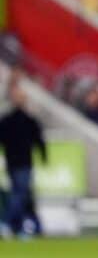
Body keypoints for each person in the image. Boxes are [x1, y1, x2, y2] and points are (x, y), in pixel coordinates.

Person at [0, 81, 47, 238]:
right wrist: (43, 156)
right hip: (23, 163)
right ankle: (8, 223)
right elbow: (39, 140)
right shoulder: (27, 120)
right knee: (20, 194)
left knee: (20, 194)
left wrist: (43, 154)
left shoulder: (9, 120)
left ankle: (18, 226)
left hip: (14, 162)